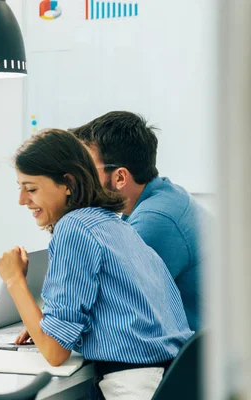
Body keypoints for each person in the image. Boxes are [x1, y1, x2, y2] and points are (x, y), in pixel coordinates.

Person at [0, 129, 193, 399]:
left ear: (68, 183)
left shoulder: (73, 227)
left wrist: (14, 280)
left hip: (133, 386)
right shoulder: (115, 225)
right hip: (169, 378)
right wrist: (43, 326)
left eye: (31, 189)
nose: (22, 200)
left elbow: (54, 352)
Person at [71, 111, 205, 331]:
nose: (80, 177)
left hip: (190, 358)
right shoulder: (162, 195)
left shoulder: (155, 220)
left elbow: (117, 309)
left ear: (121, 177)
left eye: (86, 168)